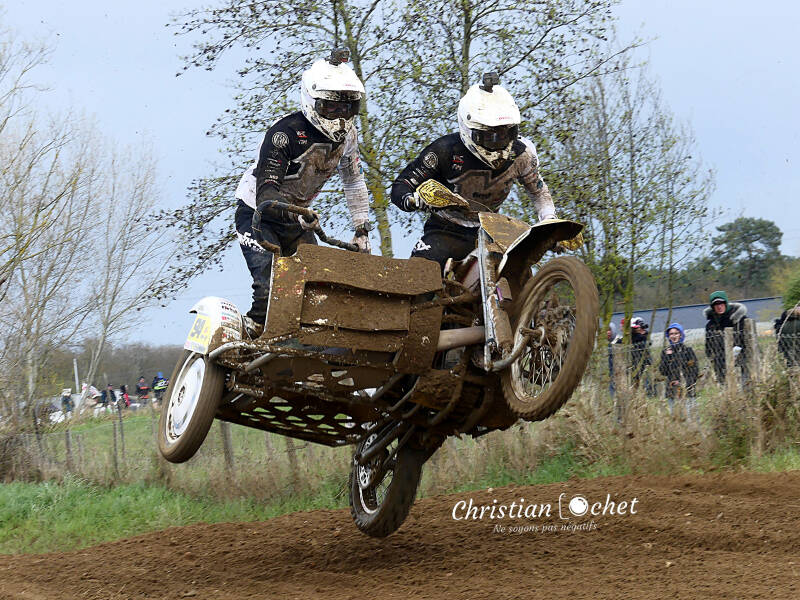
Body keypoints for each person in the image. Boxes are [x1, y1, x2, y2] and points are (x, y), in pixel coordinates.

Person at [234, 48, 372, 337]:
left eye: (348, 108)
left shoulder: (349, 137)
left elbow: (353, 180)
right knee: (269, 289)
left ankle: (301, 350)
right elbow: (266, 194)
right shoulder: (283, 134)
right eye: (331, 108)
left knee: (316, 292)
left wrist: (361, 230)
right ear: (312, 101)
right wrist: (299, 216)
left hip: (297, 220)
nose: (340, 117)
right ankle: (249, 338)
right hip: (258, 216)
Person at [390, 72, 557, 272]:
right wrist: (413, 200)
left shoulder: (522, 154)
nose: (498, 142)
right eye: (489, 136)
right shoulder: (445, 151)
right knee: (418, 273)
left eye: (506, 134)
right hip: (445, 229)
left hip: (491, 230)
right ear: (469, 130)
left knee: (520, 274)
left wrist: (549, 220)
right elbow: (401, 185)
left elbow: (538, 192)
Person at [704, 290, 748, 382]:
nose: (719, 306)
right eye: (716, 304)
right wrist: (714, 358)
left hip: (741, 362)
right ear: (712, 307)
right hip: (720, 365)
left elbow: (748, 341)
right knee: (724, 387)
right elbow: (708, 347)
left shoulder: (740, 320)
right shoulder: (711, 325)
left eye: (721, 303)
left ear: (726, 303)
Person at [658, 323, 699, 415]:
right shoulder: (665, 352)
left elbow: (694, 370)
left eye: (676, 333)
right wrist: (668, 357)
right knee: (675, 414)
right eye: (671, 334)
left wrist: (685, 382)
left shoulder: (687, 350)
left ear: (681, 335)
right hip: (672, 388)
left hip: (687, 387)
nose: (674, 336)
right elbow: (663, 371)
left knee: (691, 414)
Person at [629, 317, 654, 396]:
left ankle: (649, 394)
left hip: (645, 361)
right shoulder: (632, 337)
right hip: (634, 362)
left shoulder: (644, 336)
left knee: (647, 380)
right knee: (635, 382)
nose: (639, 329)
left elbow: (648, 343)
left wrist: (643, 334)